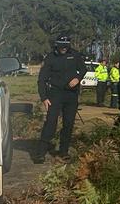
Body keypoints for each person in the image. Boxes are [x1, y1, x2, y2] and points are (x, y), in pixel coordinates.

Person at [34, 35, 85, 163]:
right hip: (55, 94)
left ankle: (63, 152)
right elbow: (42, 80)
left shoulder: (75, 55)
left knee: (68, 124)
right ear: (57, 45)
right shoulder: (50, 58)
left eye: (66, 47)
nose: (64, 49)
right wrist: (44, 98)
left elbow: (83, 69)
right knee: (51, 123)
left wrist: (78, 78)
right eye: (61, 47)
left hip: (71, 95)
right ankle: (40, 153)